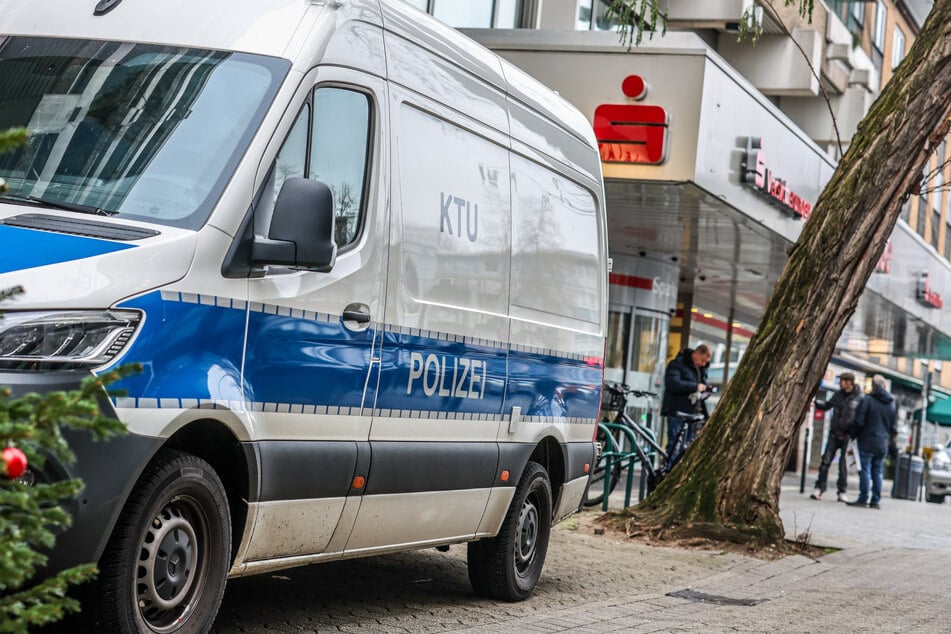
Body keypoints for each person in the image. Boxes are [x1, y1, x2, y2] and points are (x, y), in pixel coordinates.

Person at [810, 372, 863, 502]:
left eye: (842, 381)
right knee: (825, 462)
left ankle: (842, 492)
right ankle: (819, 489)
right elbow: (827, 406)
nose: (840, 383)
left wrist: (856, 434)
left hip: (848, 437)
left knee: (843, 465)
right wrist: (815, 402)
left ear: (849, 382)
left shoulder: (859, 398)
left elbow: (861, 418)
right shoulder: (837, 395)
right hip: (834, 434)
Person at [847, 374, 898, 509]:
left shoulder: (868, 400)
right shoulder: (891, 403)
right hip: (882, 442)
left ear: (874, 386)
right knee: (878, 470)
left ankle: (863, 498)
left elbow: (859, 421)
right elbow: (893, 427)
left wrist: (854, 434)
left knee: (865, 469)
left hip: (867, 440)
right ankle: (875, 501)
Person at [661, 344, 712, 459]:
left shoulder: (699, 369)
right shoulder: (677, 364)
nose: (703, 364)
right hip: (677, 411)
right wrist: (694, 387)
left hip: (692, 414)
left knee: (689, 446)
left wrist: (705, 391)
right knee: (674, 445)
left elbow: (702, 384)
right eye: (703, 360)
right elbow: (673, 383)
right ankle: (669, 471)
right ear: (697, 353)